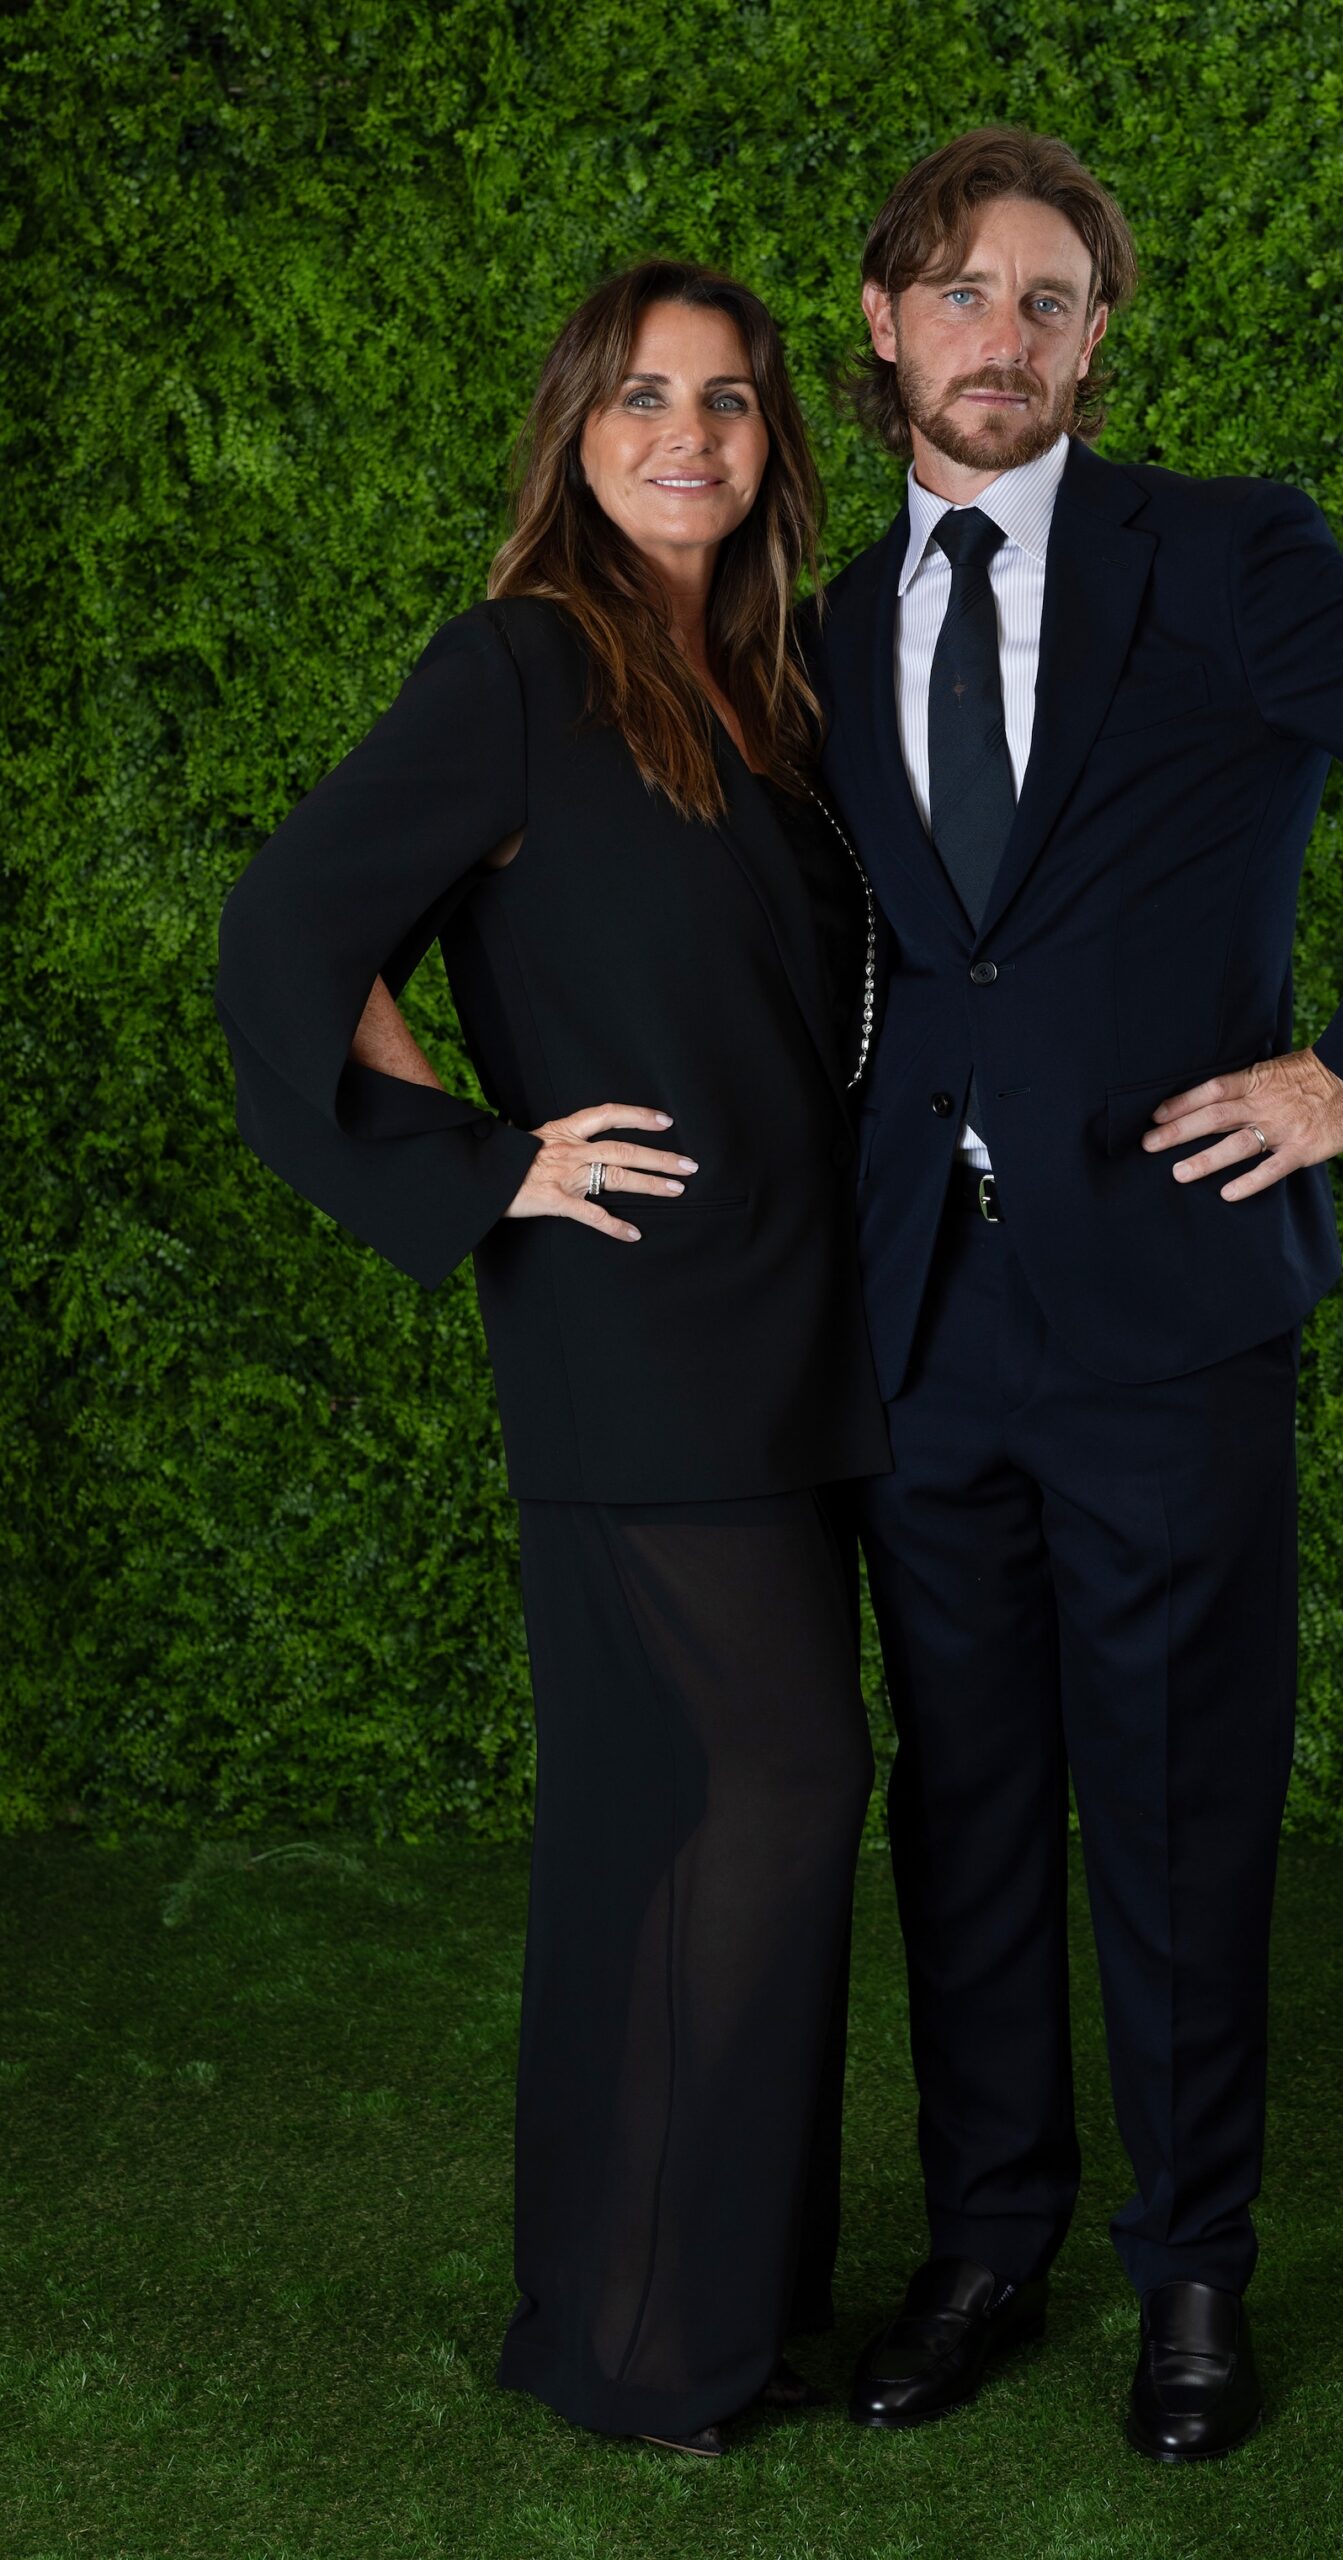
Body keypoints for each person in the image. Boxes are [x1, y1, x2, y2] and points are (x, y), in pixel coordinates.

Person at [807, 128, 1343, 2463]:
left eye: (1047, 299)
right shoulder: (824, 612)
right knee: (961, 1804)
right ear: (878, 326)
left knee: (1169, 1802)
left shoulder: (1225, 555)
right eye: (956, 293)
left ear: (1097, 335)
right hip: (917, 1325)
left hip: (1161, 1312)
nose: (1000, 336)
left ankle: (1192, 2271)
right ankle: (986, 2233)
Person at [216, 262, 891, 2458]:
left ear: (775, 440)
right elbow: (291, 930)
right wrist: (476, 1158)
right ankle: (650, 2338)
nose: (682, 434)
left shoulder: (774, 692)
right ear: (574, 432)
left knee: (668, 1814)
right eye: (637, 398)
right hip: (637, 1324)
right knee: (776, 1782)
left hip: (806, 1327)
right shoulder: (519, 666)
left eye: (723, 401)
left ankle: (682, 2303)